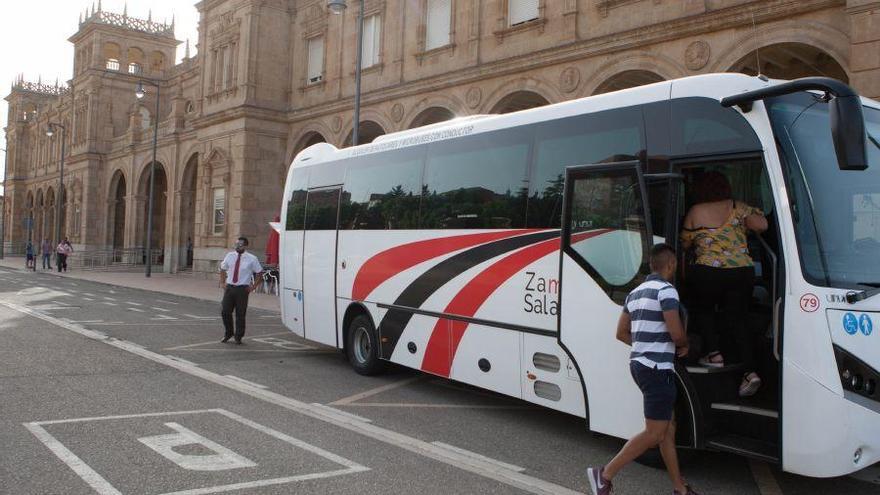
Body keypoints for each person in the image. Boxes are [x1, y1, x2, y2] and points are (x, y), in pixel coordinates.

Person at [587, 244, 698, 495]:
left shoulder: (635, 292)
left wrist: (646, 344)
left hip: (639, 364)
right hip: (657, 368)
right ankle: (604, 475)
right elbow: (676, 332)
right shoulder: (667, 291)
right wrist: (684, 344)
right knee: (655, 432)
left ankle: (680, 488)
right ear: (670, 265)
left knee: (667, 430)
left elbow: (620, 333)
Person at [681, 171, 768, 397]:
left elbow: (685, 243)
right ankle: (750, 372)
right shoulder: (737, 207)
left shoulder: (696, 211)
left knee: (704, 310)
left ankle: (714, 355)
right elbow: (762, 225)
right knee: (738, 319)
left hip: (708, 272)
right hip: (741, 271)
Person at [219, 236, 263, 344]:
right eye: (236, 244)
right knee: (225, 311)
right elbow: (222, 268)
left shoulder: (252, 258)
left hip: (242, 290)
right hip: (230, 288)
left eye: (240, 244)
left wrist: (253, 286)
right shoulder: (229, 256)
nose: (237, 246)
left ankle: (238, 336)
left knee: (240, 314)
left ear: (245, 246)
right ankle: (229, 333)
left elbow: (259, 273)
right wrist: (222, 282)